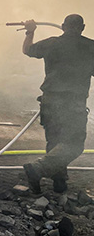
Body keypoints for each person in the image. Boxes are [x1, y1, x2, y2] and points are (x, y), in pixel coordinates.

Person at [22, 14, 94, 193]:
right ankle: (37, 169)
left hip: (50, 101)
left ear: (63, 26)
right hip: (73, 104)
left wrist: (30, 32)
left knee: (55, 143)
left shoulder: (52, 43)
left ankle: (59, 183)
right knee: (74, 144)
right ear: (82, 28)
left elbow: (27, 50)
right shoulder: (90, 47)